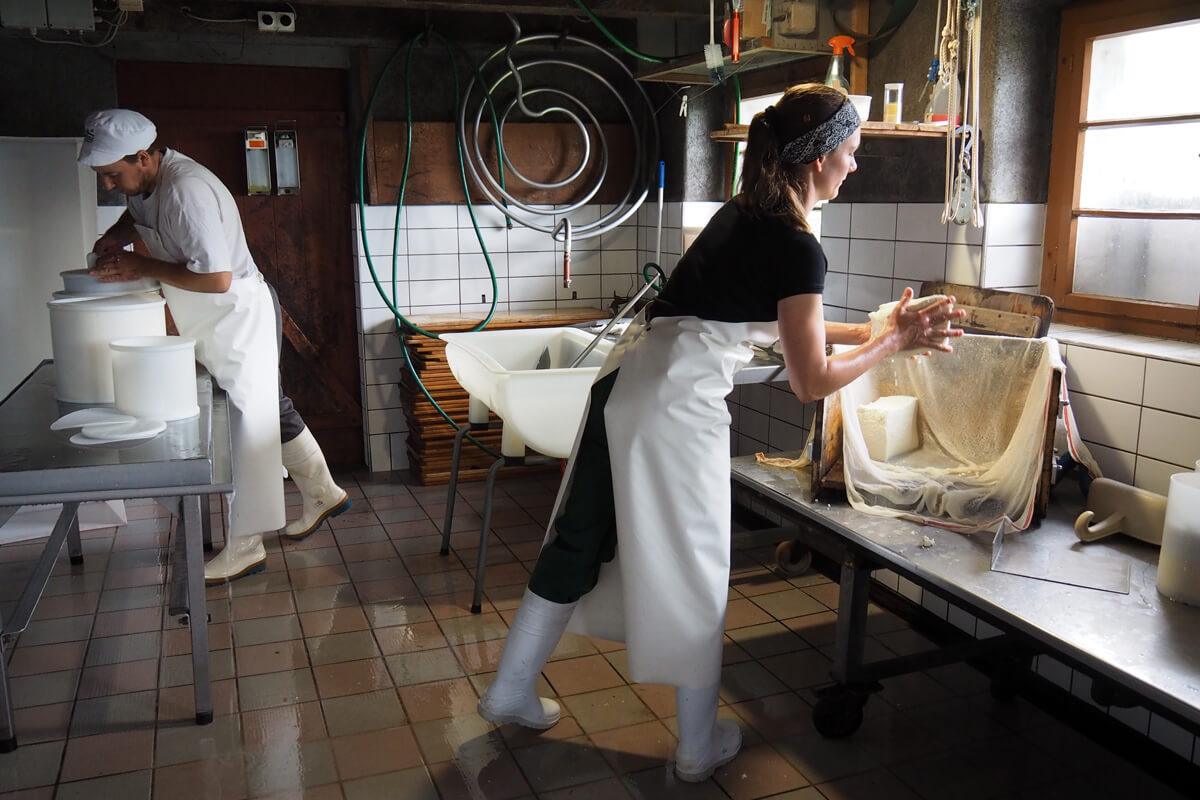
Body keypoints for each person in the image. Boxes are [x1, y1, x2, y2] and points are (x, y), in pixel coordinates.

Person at [476, 83, 965, 782]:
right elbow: (811, 379)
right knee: (700, 568)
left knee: (579, 535)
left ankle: (509, 690)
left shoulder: (748, 213)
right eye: (851, 153)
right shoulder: (796, 243)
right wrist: (898, 343)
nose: (854, 167)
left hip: (628, 387)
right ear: (819, 156)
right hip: (675, 409)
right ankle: (697, 747)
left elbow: (777, 322)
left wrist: (880, 328)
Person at [78, 109, 352, 584]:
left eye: (111, 175)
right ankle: (323, 493)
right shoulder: (147, 183)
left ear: (143, 157)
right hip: (213, 318)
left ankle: (246, 545)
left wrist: (140, 269)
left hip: (237, 313)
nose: (107, 185)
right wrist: (114, 237)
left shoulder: (187, 192)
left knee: (245, 424)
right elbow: (139, 215)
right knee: (267, 409)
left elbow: (217, 278)